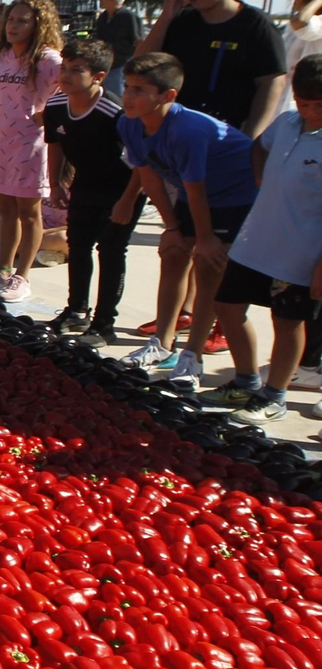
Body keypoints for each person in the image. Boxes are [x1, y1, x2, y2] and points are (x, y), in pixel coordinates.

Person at [116, 53, 258, 392]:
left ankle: (192, 357)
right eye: (127, 87)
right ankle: (163, 344)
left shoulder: (189, 131)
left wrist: (206, 238)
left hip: (236, 194)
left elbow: (198, 191)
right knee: (174, 254)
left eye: (139, 90)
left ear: (168, 96)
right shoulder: (128, 122)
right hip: (190, 191)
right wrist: (173, 229)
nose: (129, 96)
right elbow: (149, 177)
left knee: (208, 267)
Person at [198, 55, 322, 423]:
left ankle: (276, 395)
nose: (310, 110)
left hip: (301, 250)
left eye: (318, 105)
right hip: (257, 238)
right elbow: (259, 145)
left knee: (288, 322)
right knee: (227, 306)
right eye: (303, 102)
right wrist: (259, 178)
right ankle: (247, 379)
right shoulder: (285, 122)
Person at [0, 0, 64, 303]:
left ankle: (22, 276)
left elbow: (71, 92)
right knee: (5, 211)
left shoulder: (49, 61)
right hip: (1, 141)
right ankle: (2, 269)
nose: (14, 26)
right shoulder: (3, 55)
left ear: (39, 24)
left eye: (22, 20)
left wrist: (48, 115)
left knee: (28, 213)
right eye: (11, 19)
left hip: (31, 145)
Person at [43, 39, 143, 346]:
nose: (66, 75)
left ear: (98, 77)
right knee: (79, 244)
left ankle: (104, 323)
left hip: (123, 189)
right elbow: (55, 144)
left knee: (111, 251)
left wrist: (127, 202)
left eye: (77, 70)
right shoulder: (57, 105)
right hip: (85, 183)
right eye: (64, 68)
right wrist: (56, 183)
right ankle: (76, 310)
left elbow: (141, 161)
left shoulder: (116, 113)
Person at [136, 0, 285, 138]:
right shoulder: (181, 21)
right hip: (177, 132)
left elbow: (272, 83)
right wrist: (165, 18)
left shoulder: (255, 23)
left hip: (227, 136)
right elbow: (140, 64)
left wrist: (251, 137)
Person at [91, 0, 143, 96]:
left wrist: (135, 66)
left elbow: (139, 42)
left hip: (121, 66)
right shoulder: (102, 18)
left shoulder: (128, 17)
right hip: (104, 66)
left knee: (116, 100)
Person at [282, 0, 322, 113]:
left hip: (303, 106)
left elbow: (301, 22)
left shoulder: (319, 23)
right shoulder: (290, 27)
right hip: (282, 101)